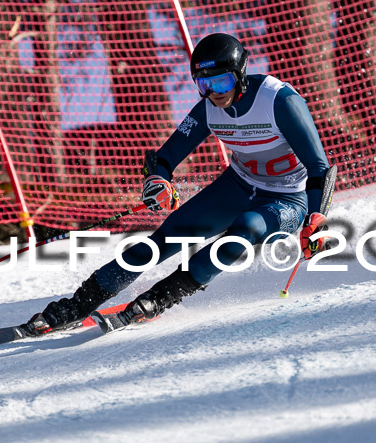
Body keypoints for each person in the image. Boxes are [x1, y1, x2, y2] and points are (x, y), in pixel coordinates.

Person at [22, 32, 330, 336]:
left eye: (221, 82)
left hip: (287, 200)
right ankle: (77, 306)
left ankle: (161, 297)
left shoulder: (279, 100)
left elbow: (319, 166)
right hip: (237, 187)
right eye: (204, 84)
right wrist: (158, 180)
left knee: (246, 228)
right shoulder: (208, 108)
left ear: (240, 74)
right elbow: (164, 157)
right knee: (160, 242)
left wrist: (316, 218)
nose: (214, 93)